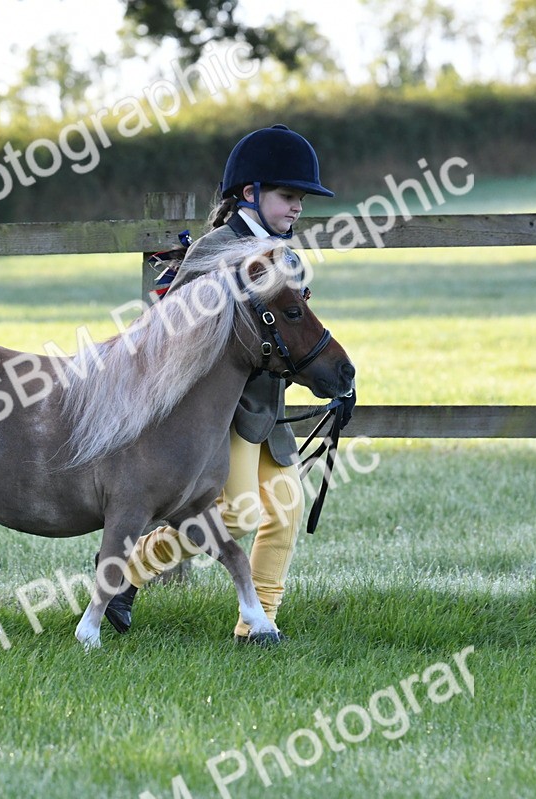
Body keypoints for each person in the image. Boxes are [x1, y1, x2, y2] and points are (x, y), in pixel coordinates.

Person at [102, 124, 353, 646]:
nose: (297, 208)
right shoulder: (217, 250)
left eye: (301, 198)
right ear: (250, 193)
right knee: (238, 511)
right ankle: (124, 571)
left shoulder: (284, 253)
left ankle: (256, 623)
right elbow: (176, 331)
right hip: (219, 413)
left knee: (283, 514)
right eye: (288, 196)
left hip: (267, 408)